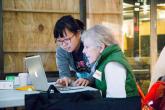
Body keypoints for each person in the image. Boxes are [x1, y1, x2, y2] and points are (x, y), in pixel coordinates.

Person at [81, 25, 140, 99]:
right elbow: (98, 77)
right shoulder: (103, 61)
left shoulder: (112, 65)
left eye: (87, 47)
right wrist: (88, 81)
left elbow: (116, 102)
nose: (83, 51)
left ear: (101, 47)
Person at [53, 15, 93, 86]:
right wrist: (65, 79)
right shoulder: (61, 51)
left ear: (78, 34)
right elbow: (64, 73)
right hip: (83, 87)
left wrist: (89, 79)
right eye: (60, 41)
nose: (64, 44)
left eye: (67, 39)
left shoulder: (91, 44)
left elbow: (100, 70)